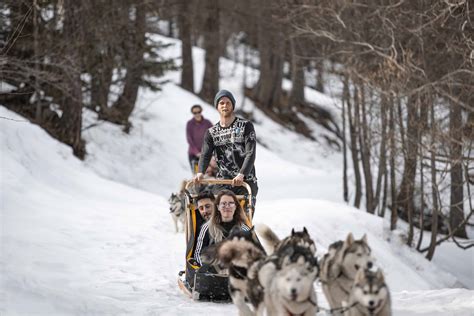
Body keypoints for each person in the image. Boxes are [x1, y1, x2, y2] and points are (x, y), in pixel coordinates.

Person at [193, 89, 258, 208]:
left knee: (243, 218)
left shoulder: (246, 126)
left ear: (233, 106)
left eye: (228, 103)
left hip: (245, 181)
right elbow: (205, 154)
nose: (225, 106)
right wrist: (200, 172)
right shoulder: (211, 132)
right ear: (217, 106)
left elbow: (250, 153)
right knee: (219, 215)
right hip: (223, 181)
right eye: (221, 103)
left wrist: (241, 174)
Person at [194, 190, 250, 265]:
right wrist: (207, 271)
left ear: (236, 206)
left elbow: (257, 253)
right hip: (213, 271)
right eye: (223, 204)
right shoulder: (206, 228)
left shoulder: (244, 229)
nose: (227, 206)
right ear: (218, 207)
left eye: (231, 203)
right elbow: (198, 254)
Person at [186, 104, 213, 174]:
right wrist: (197, 153)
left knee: (209, 175)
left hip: (206, 155)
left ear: (201, 111)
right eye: (195, 113)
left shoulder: (207, 123)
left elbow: (213, 136)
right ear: (193, 113)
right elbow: (189, 140)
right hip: (194, 156)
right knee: (197, 176)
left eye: (198, 112)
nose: (197, 114)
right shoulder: (190, 124)